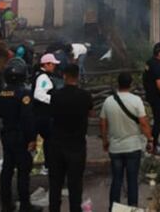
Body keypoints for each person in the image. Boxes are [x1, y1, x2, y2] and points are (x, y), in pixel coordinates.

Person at [100, 72, 152, 209]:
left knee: (116, 180)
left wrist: (105, 141)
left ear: (118, 83)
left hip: (115, 148)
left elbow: (103, 123)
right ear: (130, 84)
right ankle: (132, 208)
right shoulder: (136, 101)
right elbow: (144, 123)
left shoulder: (108, 101)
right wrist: (150, 139)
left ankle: (113, 208)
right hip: (133, 148)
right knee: (132, 181)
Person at [0, 58, 38, 212]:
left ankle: (6, 205)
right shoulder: (24, 93)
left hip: (7, 134)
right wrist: (32, 138)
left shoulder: (1, 93)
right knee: (23, 171)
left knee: (7, 170)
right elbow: (27, 118)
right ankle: (25, 206)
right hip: (21, 136)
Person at [48, 63, 93, 212]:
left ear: (64, 76)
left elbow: (51, 115)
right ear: (78, 77)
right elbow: (90, 113)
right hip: (77, 146)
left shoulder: (55, 96)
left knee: (55, 185)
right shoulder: (85, 96)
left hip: (57, 146)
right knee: (75, 185)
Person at [141, 42, 160, 156]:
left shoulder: (150, 62)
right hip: (158, 97)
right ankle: (152, 144)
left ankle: (154, 141)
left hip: (151, 95)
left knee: (158, 119)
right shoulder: (157, 65)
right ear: (159, 52)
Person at [31, 53, 59, 168]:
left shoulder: (41, 75)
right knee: (50, 140)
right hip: (43, 115)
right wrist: (53, 100)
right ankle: (49, 164)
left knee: (48, 140)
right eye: (53, 64)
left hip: (41, 114)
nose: (54, 66)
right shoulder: (43, 77)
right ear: (46, 64)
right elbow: (38, 95)